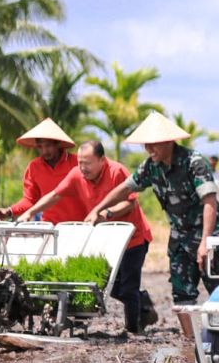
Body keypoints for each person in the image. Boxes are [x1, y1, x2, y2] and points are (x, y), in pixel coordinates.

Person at [88, 112, 219, 310]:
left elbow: (210, 201)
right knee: (181, 291)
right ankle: (190, 339)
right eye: (145, 145)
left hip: (209, 233)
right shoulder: (151, 167)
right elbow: (125, 188)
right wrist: (98, 208)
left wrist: (206, 242)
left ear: (169, 142)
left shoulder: (193, 162)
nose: (148, 149)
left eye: (153, 144)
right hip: (180, 237)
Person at [20, 140, 156, 334]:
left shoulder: (116, 171)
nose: (83, 168)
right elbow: (54, 195)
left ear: (102, 160)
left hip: (133, 238)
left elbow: (130, 203)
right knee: (109, 286)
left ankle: (134, 329)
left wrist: (105, 214)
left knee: (128, 287)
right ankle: (143, 303)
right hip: (106, 240)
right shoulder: (76, 174)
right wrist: (31, 211)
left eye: (88, 163)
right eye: (80, 163)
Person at [0, 118, 83, 223]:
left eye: (48, 146)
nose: (44, 151)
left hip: (79, 225)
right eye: (40, 147)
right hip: (49, 226)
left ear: (58, 144)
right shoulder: (34, 167)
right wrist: (9, 211)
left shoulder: (78, 163)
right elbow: (29, 200)